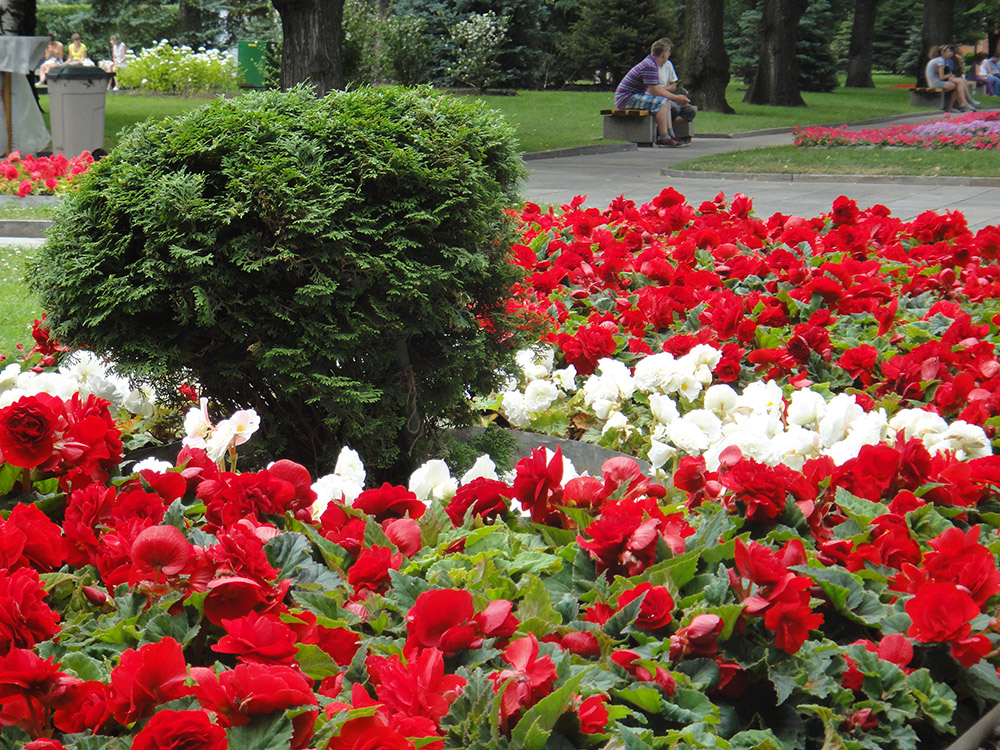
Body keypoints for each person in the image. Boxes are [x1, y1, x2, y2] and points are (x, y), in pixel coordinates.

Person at [614, 37, 691, 148]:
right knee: (662, 102)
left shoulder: (651, 63)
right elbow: (656, 90)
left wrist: (674, 98)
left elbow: (657, 89)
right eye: (669, 52)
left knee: (666, 102)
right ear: (664, 54)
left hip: (632, 96)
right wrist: (676, 98)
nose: (669, 55)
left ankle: (670, 135)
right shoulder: (650, 65)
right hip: (626, 98)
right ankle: (664, 138)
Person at [656, 38, 697, 142]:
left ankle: (660, 129)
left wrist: (662, 89)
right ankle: (665, 132)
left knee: (689, 111)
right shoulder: (652, 65)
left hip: (665, 94)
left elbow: (673, 86)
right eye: (668, 51)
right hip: (657, 96)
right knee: (675, 109)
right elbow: (652, 89)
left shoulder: (668, 65)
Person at [925, 45, 975, 113]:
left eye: (950, 51)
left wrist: (951, 76)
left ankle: (961, 104)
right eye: (948, 51)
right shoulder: (940, 61)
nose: (950, 53)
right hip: (936, 82)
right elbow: (942, 77)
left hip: (939, 81)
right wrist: (950, 75)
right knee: (958, 85)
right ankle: (963, 103)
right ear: (942, 52)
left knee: (960, 83)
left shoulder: (945, 61)